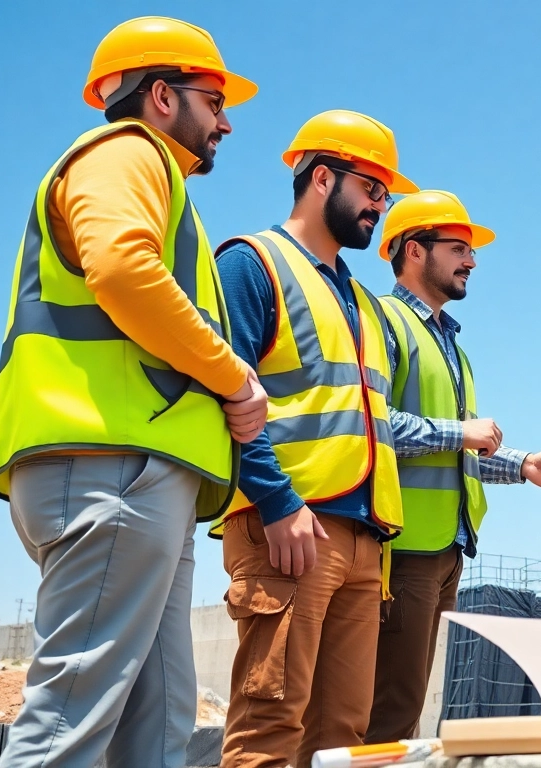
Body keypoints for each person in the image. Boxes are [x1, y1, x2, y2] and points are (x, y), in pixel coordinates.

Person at [0, 16, 263, 767]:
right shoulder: (125, 152)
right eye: (215, 99)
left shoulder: (156, 182)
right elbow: (122, 271)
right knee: (67, 731)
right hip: (110, 463)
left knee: (160, 727)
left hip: (140, 474)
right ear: (163, 96)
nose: (226, 121)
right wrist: (235, 376)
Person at [211, 110, 417, 768]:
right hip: (291, 532)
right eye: (373, 190)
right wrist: (275, 501)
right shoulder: (252, 264)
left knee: (342, 741)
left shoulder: (362, 302)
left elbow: (377, 423)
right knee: (269, 728)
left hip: (362, 541)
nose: (380, 208)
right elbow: (226, 391)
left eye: (386, 195)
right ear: (322, 178)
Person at [367, 190, 541, 741]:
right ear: (413, 251)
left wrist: (524, 466)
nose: (472, 261)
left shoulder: (451, 347)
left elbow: (460, 451)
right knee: (389, 710)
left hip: (446, 547)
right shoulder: (384, 322)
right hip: (403, 545)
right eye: (458, 248)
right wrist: (459, 432)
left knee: (408, 706)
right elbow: (371, 426)